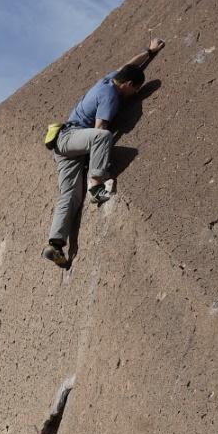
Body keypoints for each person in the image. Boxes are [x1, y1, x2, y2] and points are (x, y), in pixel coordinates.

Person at [44, 39, 160, 268]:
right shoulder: (110, 96)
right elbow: (99, 130)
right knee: (103, 137)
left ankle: (55, 244)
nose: (134, 93)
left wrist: (149, 52)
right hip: (71, 139)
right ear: (127, 84)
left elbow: (127, 65)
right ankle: (95, 187)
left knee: (70, 195)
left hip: (65, 146)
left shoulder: (108, 80)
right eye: (135, 88)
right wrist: (99, 168)